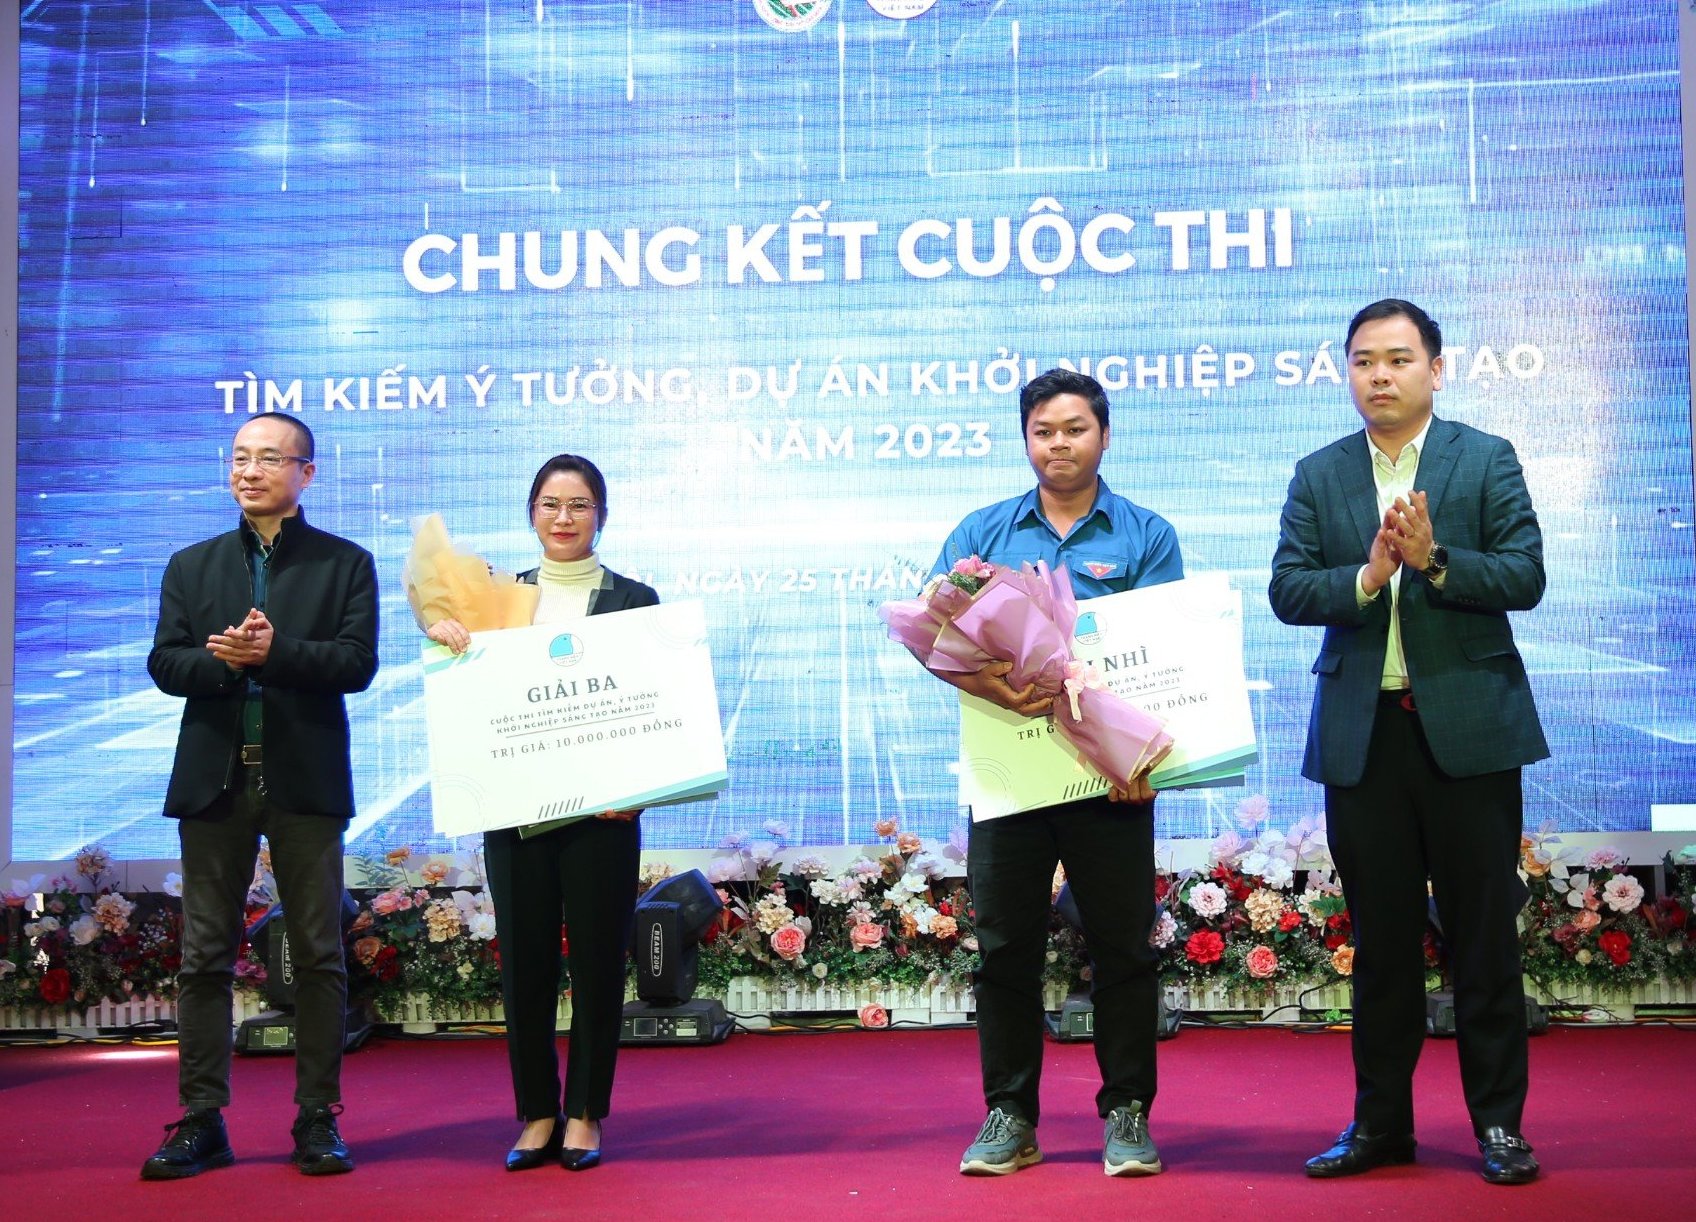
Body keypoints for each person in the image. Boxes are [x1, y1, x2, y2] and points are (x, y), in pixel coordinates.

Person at [1269, 298, 1547, 1186]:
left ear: (1436, 368)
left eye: (1397, 359)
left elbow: (1526, 575)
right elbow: (1288, 589)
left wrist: (1432, 560)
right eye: (1363, 361)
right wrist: (1367, 575)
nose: (1379, 375)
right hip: (1366, 737)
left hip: (1469, 731)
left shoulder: (1484, 458)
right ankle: (1380, 1125)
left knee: (1483, 939)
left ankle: (1499, 1126)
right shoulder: (1320, 473)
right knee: (1382, 946)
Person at [925, 368, 1183, 1178]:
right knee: (1004, 949)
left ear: (1104, 435)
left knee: (1123, 949)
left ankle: (1128, 1112)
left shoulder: (1145, 535)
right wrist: (994, 685)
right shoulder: (984, 534)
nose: (1059, 444)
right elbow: (936, 638)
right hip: (1010, 770)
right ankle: (1009, 1114)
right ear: (1026, 439)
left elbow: (1168, 655)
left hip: (1110, 779)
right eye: (1043, 431)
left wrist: (1140, 760)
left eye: (1075, 429)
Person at [142, 413, 378, 1179]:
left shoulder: (345, 563)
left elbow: (356, 663)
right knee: (204, 955)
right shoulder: (192, 564)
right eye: (240, 457)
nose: (249, 471)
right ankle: (201, 1118)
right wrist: (228, 663)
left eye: (269, 458)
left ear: (306, 472)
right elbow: (165, 663)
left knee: (318, 953)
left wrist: (276, 654)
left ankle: (317, 1117)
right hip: (215, 782)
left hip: (304, 779)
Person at [424, 453, 656, 1172]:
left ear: (601, 515)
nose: (564, 517)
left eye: (579, 504)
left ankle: (584, 1112)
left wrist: (640, 787)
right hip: (515, 810)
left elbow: (656, 704)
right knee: (523, 963)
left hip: (604, 816)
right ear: (532, 513)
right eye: (551, 504)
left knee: (597, 963)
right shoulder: (497, 599)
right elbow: (473, 701)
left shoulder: (635, 598)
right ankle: (536, 1113)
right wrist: (444, 636)